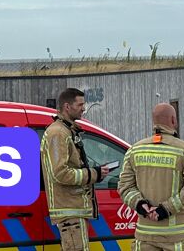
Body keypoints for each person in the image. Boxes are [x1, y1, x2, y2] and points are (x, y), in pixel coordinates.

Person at [118, 103, 184, 251]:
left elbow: (124, 187)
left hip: (145, 234)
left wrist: (141, 205)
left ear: (154, 122)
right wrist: (165, 210)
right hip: (177, 236)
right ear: (173, 120)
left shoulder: (135, 150)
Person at [43, 88, 110, 251]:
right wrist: (94, 174)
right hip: (69, 212)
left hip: (73, 212)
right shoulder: (58, 133)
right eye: (80, 104)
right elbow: (59, 173)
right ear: (67, 106)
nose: (84, 108)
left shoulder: (66, 130)